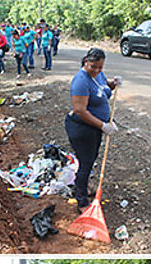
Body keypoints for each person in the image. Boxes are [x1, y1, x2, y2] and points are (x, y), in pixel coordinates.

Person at [65, 49, 121, 212]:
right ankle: (81, 200)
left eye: (100, 67)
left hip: (94, 127)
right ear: (85, 62)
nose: (97, 70)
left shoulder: (99, 75)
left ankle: (82, 186)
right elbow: (80, 110)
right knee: (86, 162)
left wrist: (113, 83)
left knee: (90, 160)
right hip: (82, 128)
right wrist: (103, 126)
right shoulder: (81, 81)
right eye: (93, 67)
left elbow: (102, 90)